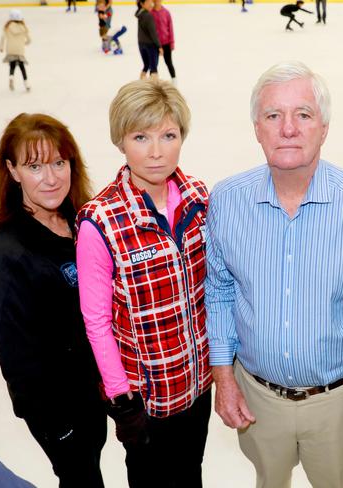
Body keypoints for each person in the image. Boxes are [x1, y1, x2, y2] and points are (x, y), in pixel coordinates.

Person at [205, 61, 343, 488]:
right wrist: (223, 378)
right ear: (256, 128)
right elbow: (220, 292)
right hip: (257, 395)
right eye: (273, 116)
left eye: (303, 114)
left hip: (337, 401)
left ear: (324, 127)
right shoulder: (227, 201)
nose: (288, 129)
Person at [75, 79, 212, 488]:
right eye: (141, 137)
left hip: (196, 384)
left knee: (191, 475)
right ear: (120, 141)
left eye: (168, 136)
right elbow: (96, 321)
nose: (156, 151)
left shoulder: (199, 199)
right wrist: (122, 399)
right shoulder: (101, 221)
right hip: (147, 400)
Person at [0, 113, 107, 488]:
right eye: (35, 166)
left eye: (59, 162)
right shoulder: (6, 251)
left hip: (93, 394)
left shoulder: (80, 220)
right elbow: (16, 356)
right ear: (12, 171)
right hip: (59, 412)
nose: (52, 176)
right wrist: (59, 428)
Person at [0, 9, 30, 92]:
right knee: (22, 67)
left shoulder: (8, 27)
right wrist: (25, 43)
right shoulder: (23, 27)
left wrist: (1, 47)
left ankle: (11, 77)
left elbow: (3, 38)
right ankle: (26, 84)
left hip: (10, 50)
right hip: (20, 50)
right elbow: (29, 40)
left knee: (12, 65)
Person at [135, 0, 162, 79]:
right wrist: (159, 46)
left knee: (146, 65)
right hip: (150, 45)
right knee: (153, 68)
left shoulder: (139, 13)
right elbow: (153, 33)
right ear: (142, 4)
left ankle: (143, 81)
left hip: (141, 44)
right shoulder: (148, 16)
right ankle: (153, 87)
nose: (151, 4)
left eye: (151, 2)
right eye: (148, 2)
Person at [151, 0, 176, 84]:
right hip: (155, 44)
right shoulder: (150, 13)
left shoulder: (166, 12)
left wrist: (172, 42)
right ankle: (153, 83)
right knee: (154, 65)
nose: (157, 1)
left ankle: (174, 81)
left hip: (166, 43)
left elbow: (170, 28)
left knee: (169, 63)